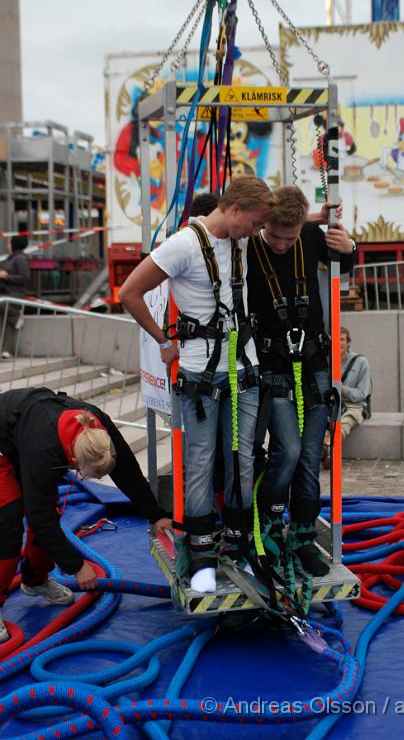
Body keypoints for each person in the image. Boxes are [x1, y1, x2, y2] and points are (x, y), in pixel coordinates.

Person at [119, 176, 273, 594]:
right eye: (254, 223)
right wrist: (164, 342)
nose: (256, 232)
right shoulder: (184, 245)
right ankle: (203, 554)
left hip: (244, 371)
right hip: (200, 375)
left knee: (241, 460)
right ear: (236, 210)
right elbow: (130, 291)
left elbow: (282, 229)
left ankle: (240, 544)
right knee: (202, 462)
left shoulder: (241, 241)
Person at [0, 387, 172, 643]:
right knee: (9, 522)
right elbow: (39, 518)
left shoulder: (99, 426)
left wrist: (155, 514)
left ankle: (35, 580)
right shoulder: (43, 451)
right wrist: (76, 566)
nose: (100, 479)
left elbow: (128, 472)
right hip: (5, 443)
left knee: (51, 510)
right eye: (94, 475)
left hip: (25, 432)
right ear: (73, 461)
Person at [247, 185, 356, 576]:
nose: (279, 243)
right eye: (273, 234)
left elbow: (346, 265)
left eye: (288, 237)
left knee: (310, 459)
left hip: (312, 366)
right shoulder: (250, 248)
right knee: (287, 452)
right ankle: (271, 516)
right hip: (273, 368)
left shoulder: (308, 237)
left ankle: (303, 537)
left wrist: (349, 248)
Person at [322, 326, 372, 469]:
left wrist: (343, 390)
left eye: (342, 339)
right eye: (337, 339)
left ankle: (329, 446)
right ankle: (326, 448)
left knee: (345, 422)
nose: (340, 343)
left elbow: (362, 394)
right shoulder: (327, 362)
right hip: (332, 405)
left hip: (353, 405)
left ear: (348, 342)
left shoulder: (361, 362)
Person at [0, 235, 31, 344]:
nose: (7, 245)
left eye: (9, 243)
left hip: (16, 293)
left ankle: (15, 316)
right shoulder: (11, 258)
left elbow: (25, 277)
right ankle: (6, 350)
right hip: (6, 292)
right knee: (3, 318)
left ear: (14, 245)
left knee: (2, 305)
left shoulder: (20, 259)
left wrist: (6, 276)